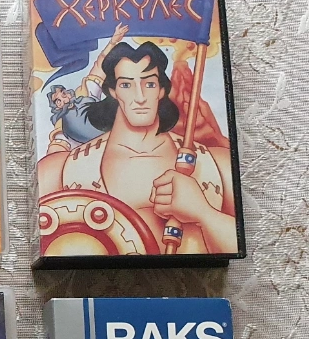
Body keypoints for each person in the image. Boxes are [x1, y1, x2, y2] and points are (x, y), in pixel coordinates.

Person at [37, 41, 237, 255]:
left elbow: (240, 247)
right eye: (126, 85)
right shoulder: (59, 171)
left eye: (149, 84)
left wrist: (203, 212)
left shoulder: (219, 166)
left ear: (161, 90)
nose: (140, 97)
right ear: (113, 91)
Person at [45, 23, 129, 153]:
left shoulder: (85, 96)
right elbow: (57, 147)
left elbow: (100, 66)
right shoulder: (62, 123)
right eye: (58, 100)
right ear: (57, 106)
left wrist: (112, 42)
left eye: (63, 93)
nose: (64, 98)